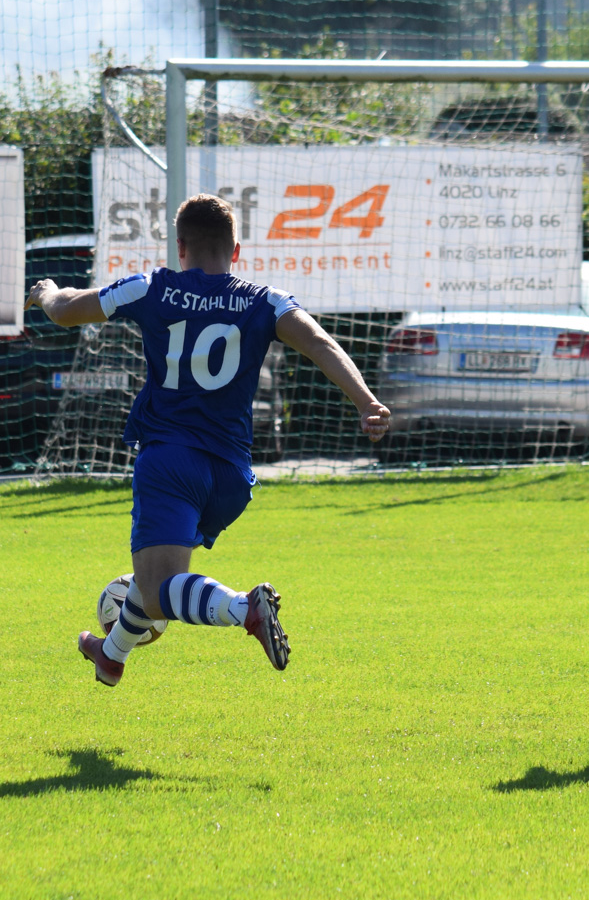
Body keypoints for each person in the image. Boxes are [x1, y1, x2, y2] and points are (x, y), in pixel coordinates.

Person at [29, 193, 391, 686]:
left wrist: (47, 291)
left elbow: (66, 310)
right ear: (235, 249)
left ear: (180, 247)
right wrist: (366, 402)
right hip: (232, 476)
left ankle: (245, 609)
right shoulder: (264, 300)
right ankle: (110, 656)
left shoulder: (151, 288)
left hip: (171, 461)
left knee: (157, 590)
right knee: (158, 572)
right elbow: (320, 342)